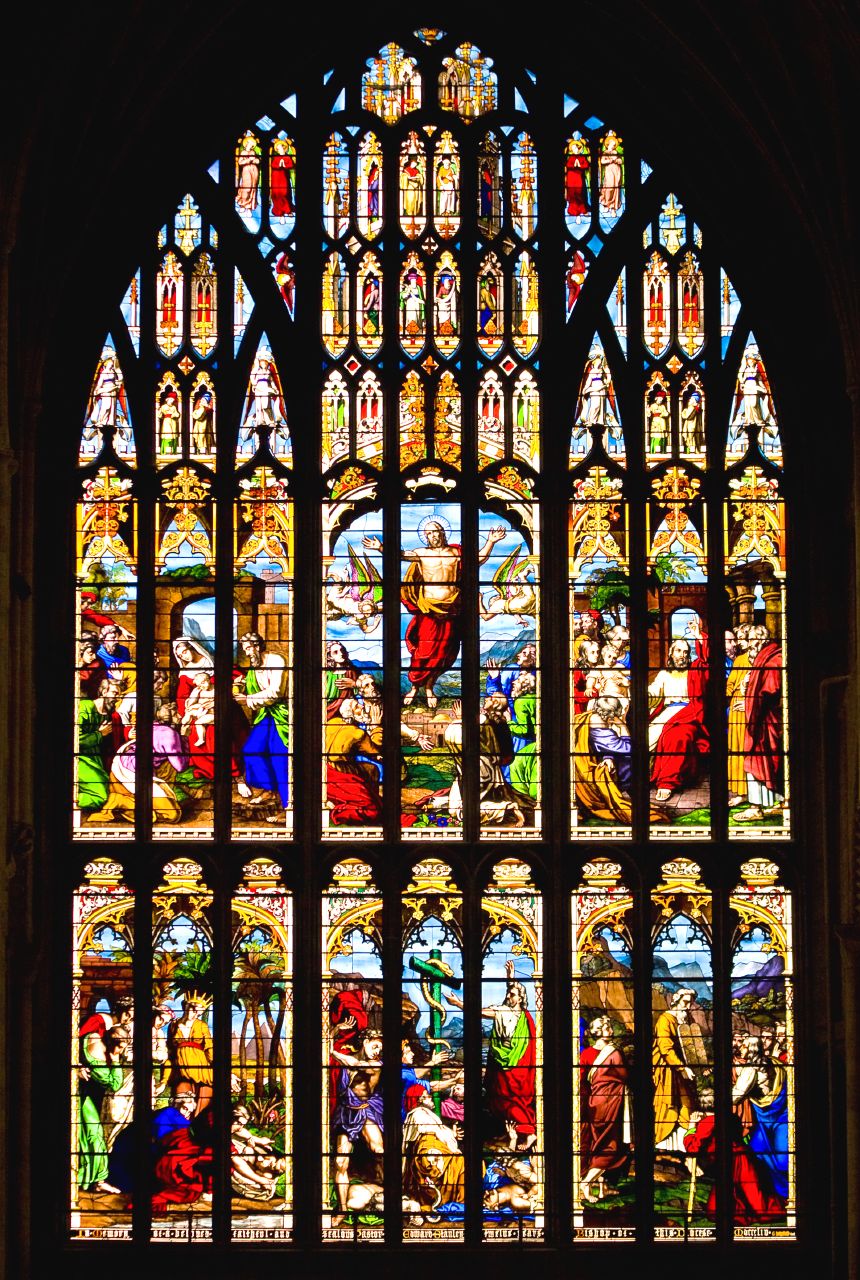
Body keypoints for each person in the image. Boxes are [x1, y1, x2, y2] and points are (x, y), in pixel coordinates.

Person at [363, 519, 504, 708]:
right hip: (428, 610)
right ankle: (414, 687)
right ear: (425, 537)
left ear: (443, 532)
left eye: (436, 531)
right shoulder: (421, 553)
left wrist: (491, 541)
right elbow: (400, 555)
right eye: (428, 533)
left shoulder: (456, 553)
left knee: (444, 652)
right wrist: (381, 548)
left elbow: (478, 560)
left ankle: (430, 686)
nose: (433, 535)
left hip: (451, 609)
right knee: (423, 651)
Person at [450, 959, 536, 1147]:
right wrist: (458, 1003)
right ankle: (511, 1132)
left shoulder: (523, 1016)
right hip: (503, 1064)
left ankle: (529, 1132)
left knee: (514, 1100)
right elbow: (479, 1011)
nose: (509, 996)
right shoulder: (503, 1010)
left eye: (512, 994)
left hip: (517, 1066)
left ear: (520, 998)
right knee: (499, 1100)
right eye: (508, 993)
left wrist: (511, 979)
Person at [648, 621, 709, 801]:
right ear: (671, 653)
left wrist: (698, 636)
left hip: (690, 714)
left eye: (685, 652)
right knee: (647, 738)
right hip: (667, 714)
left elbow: (707, 661)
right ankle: (645, 776)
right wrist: (643, 694)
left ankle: (667, 782)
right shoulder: (664, 674)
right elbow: (654, 691)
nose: (682, 655)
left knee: (677, 737)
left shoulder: (695, 671)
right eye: (678, 651)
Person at [330, 1030, 385, 1222]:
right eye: (375, 1046)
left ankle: (392, 1193)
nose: (377, 1051)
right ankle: (343, 1209)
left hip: (365, 1110)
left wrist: (331, 1051)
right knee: (341, 1162)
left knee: (379, 1149)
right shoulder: (349, 1058)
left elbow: (355, 1064)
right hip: (346, 1113)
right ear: (365, 1042)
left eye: (380, 1049)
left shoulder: (375, 1065)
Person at [234, 631, 290, 811]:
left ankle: (288, 806)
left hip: (283, 714)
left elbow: (275, 692)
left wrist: (247, 699)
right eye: (245, 649)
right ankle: (270, 790)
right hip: (266, 714)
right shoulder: (254, 666)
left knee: (280, 757)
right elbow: (256, 685)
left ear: (257, 646)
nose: (247, 652)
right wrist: (243, 684)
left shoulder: (276, 660)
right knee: (252, 749)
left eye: (249, 648)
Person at [731, 1034, 789, 1200]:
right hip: (779, 1114)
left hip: (773, 1117)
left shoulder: (750, 1070)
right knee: (761, 1148)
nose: (740, 1048)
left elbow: (735, 1096)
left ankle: (783, 1192)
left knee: (774, 1156)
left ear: (750, 1049)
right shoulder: (774, 1062)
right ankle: (783, 1192)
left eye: (743, 1045)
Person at [579, 1015, 630, 1202]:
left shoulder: (586, 1054)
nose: (611, 1029)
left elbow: (581, 1080)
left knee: (598, 1143)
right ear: (599, 1032)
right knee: (609, 1145)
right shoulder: (614, 1053)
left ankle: (601, 1189)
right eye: (607, 1027)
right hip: (609, 1102)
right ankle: (586, 1183)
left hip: (595, 1102)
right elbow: (624, 1075)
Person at [736, 625, 784, 821]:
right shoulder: (764, 658)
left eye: (752, 640)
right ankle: (778, 803)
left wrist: (751, 702)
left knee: (759, 761)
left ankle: (757, 808)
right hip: (763, 719)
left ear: (762, 640)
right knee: (765, 762)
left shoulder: (773, 660)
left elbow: (769, 691)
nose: (749, 644)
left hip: (766, 721)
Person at [77, 1014, 124, 1194]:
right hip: (83, 1099)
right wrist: (116, 1061)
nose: (121, 1051)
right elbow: (114, 1084)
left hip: (84, 1097)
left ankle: (91, 1179)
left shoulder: (92, 1037)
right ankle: (98, 1180)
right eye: (120, 1047)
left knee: (87, 1138)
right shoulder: (100, 1059)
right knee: (94, 1136)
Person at [653, 988, 699, 1152]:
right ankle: (663, 1149)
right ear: (676, 1001)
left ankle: (684, 1148)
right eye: (685, 1002)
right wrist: (682, 1067)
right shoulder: (665, 1020)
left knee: (686, 1107)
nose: (688, 1007)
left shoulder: (685, 1020)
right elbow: (665, 1049)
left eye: (690, 1003)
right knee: (668, 1107)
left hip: (682, 1072)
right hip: (668, 1072)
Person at [151, 1086, 212, 1210]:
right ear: (177, 1104)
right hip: (164, 1155)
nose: (186, 1114)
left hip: (177, 1152)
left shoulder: (179, 1118)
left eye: (189, 1112)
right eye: (185, 1109)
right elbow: (165, 1139)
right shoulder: (169, 1113)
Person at [167, 999, 213, 1114]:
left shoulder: (202, 1025)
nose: (196, 1014)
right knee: (180, 1102)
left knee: (202, 1102)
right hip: (180, 1069)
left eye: (199, 1013)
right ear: (185, 1006)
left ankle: (198, 1125)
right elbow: (170, 1048)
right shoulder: (173, 1025)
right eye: (194, 1009)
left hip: (201, 1069)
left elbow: (209, 1047)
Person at [180, 670, 215, 747]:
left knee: (198, 722)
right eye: (199, 685)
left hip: (212, 714)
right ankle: (184, 726)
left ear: (208, 681)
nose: (201, 687)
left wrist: (212, 704)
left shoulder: (216, 690)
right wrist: (192, 705)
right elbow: (197, 703)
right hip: (202, 710)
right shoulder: (200, 690)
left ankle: (201, 739)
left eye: (203, 684)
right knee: (189, 713)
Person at [598, 132, 623, 216]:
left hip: (617, 171)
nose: (613, 146)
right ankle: (606, 204)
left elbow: (621, 161)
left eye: (614, 144)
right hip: (609, 171)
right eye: (612, 144)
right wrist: (610, 160)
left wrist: (616, 160)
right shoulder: (605, 152)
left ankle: (613, 208)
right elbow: (602, 161)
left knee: (616, 189)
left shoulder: (616, 152)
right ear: (608, 144)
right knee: (609, 187)